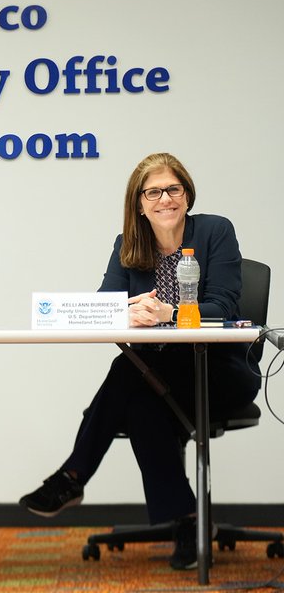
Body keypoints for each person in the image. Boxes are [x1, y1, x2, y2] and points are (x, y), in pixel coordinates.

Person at [18, 152, 261, 571]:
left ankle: (72, 477)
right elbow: (103, 304)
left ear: (187, 194)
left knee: (129, 375)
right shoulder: (129, 244)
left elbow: (222, 306)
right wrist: (123, 313)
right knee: (140, 399)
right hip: (155, 377)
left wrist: (168, 313)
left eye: (173, 189)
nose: (165, 199)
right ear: (139, 202)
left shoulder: (215, 231)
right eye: (154, 192)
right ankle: (188, 522)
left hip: (219, 371)